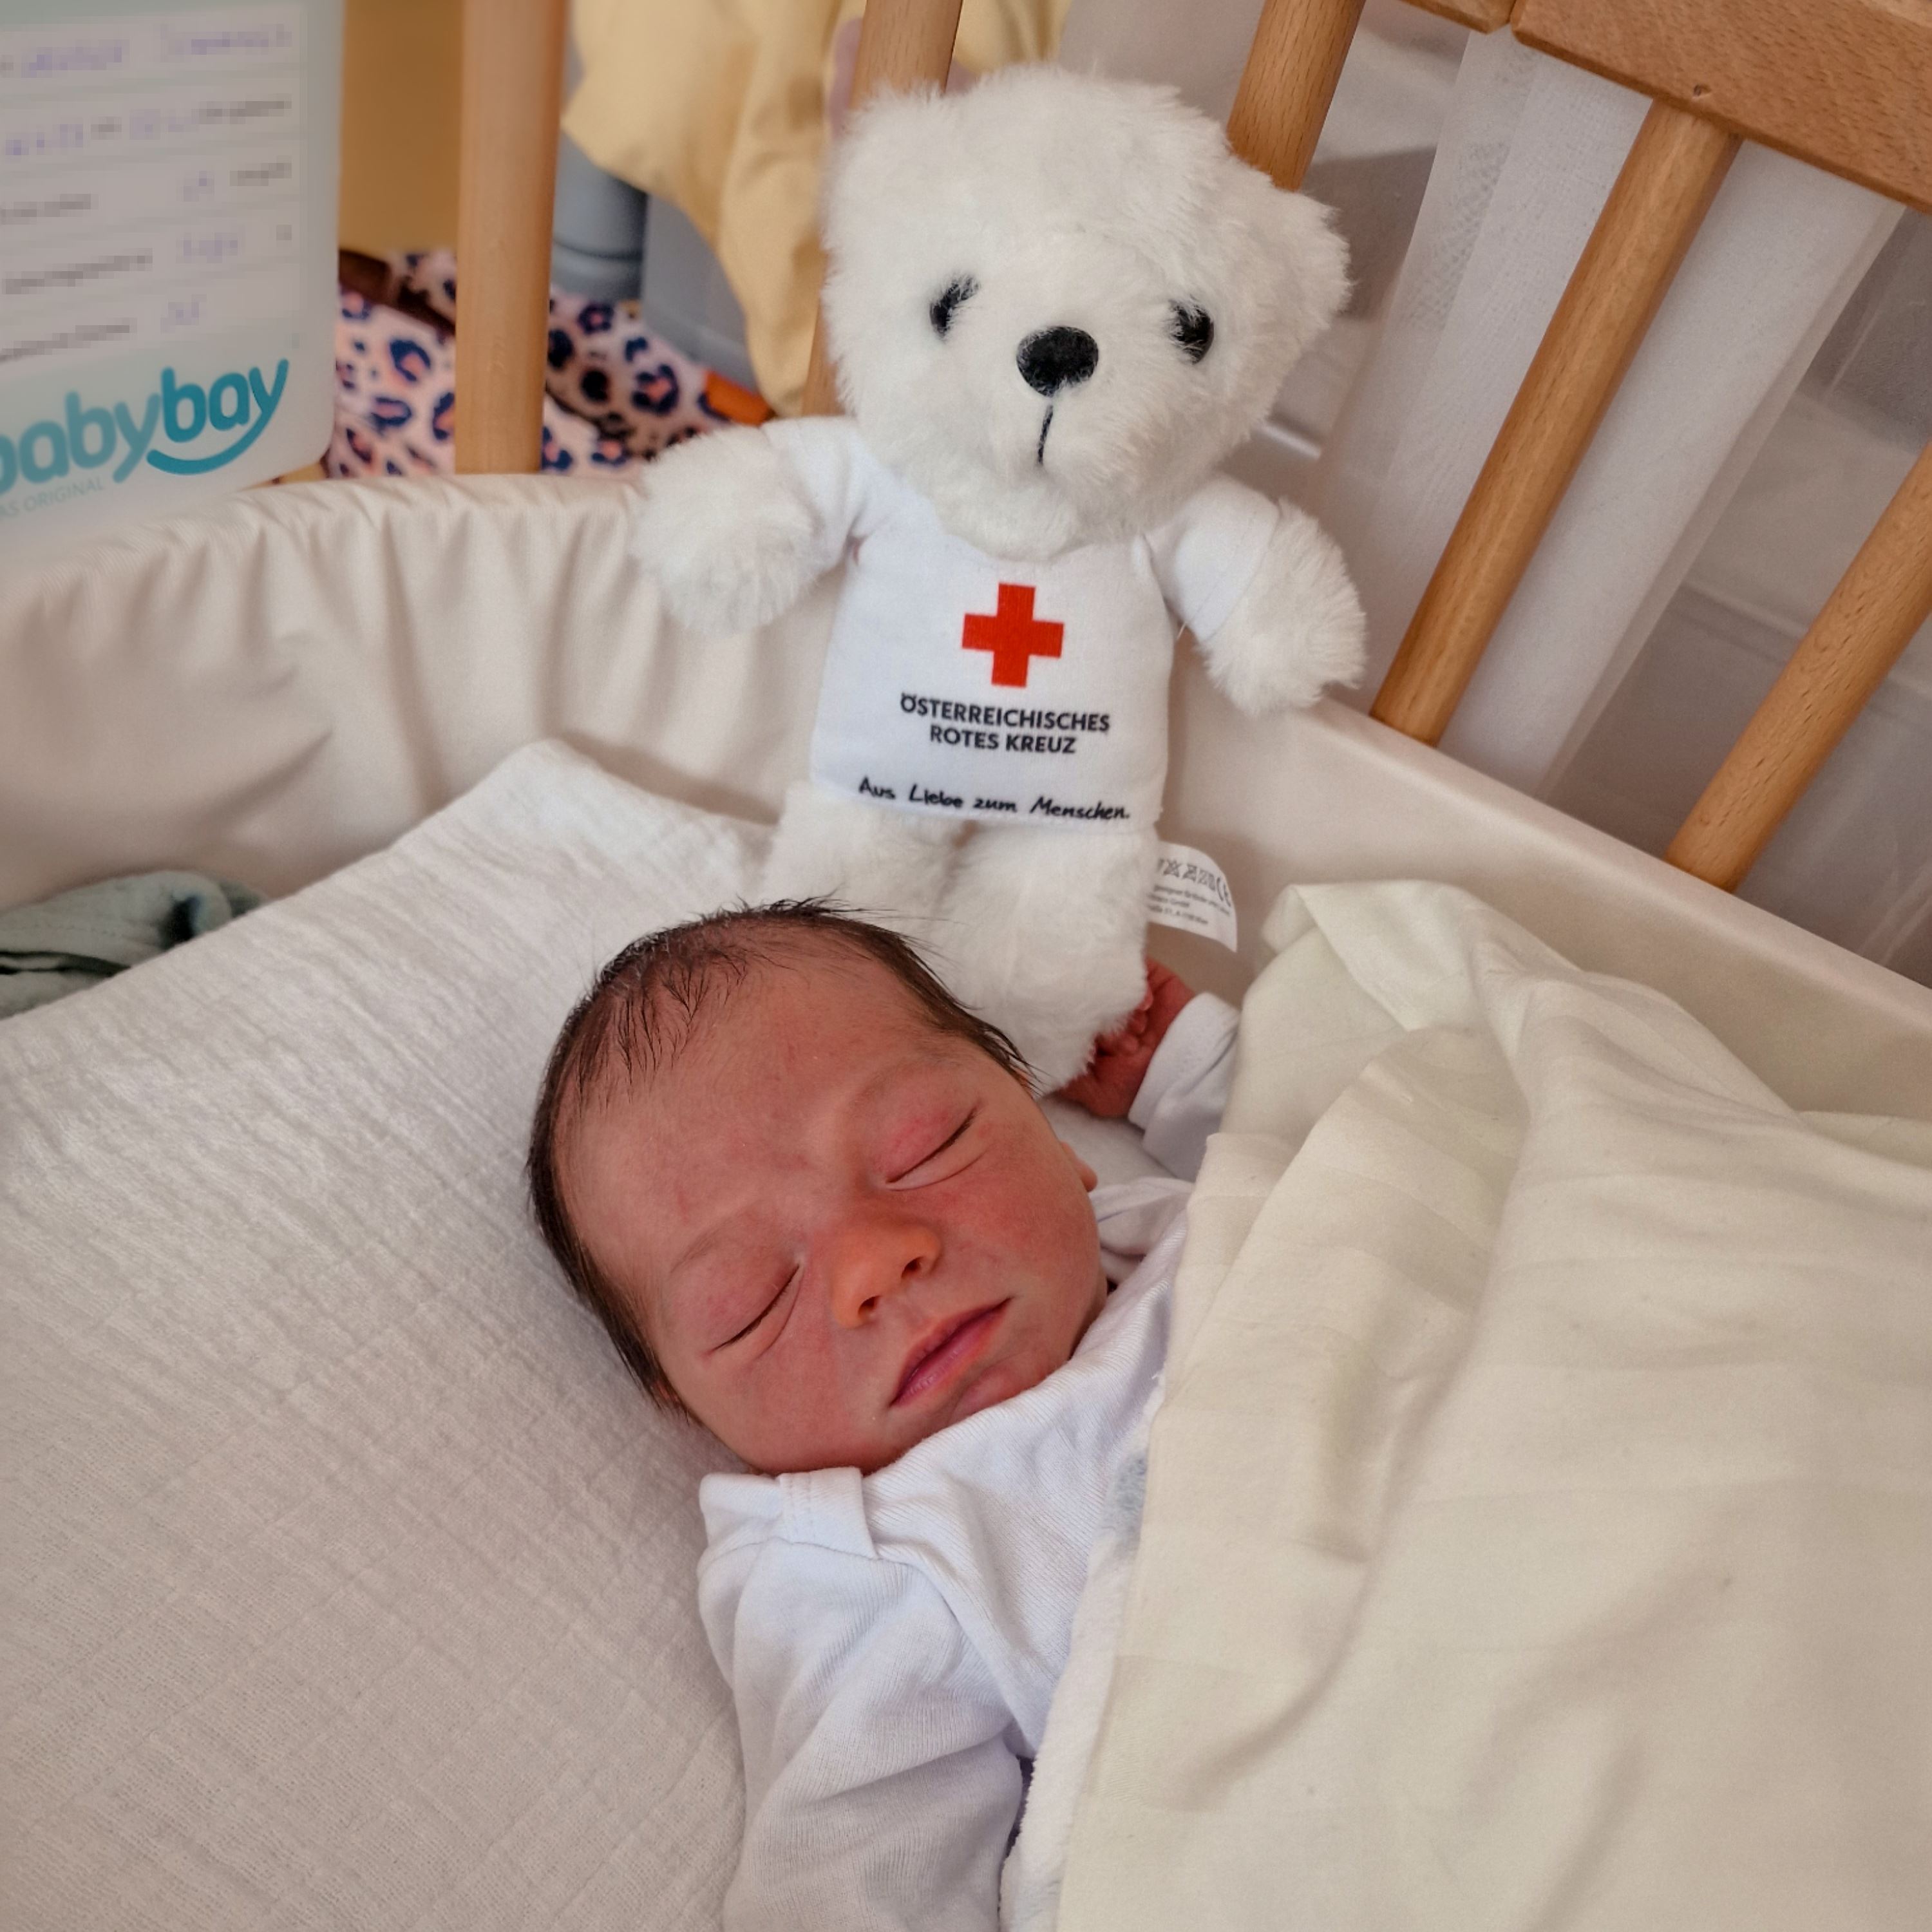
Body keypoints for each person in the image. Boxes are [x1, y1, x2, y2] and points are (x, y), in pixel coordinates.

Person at [526, 903, 1236, 1931]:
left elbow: (1384, 1141)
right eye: (753, 1300)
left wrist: (1183, 1074)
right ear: (693, 1403)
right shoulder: (867, 1563)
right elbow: (855, 1876)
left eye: (925, 1146)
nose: (874, 1262)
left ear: (1051, 1132)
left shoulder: (1189, 1221)